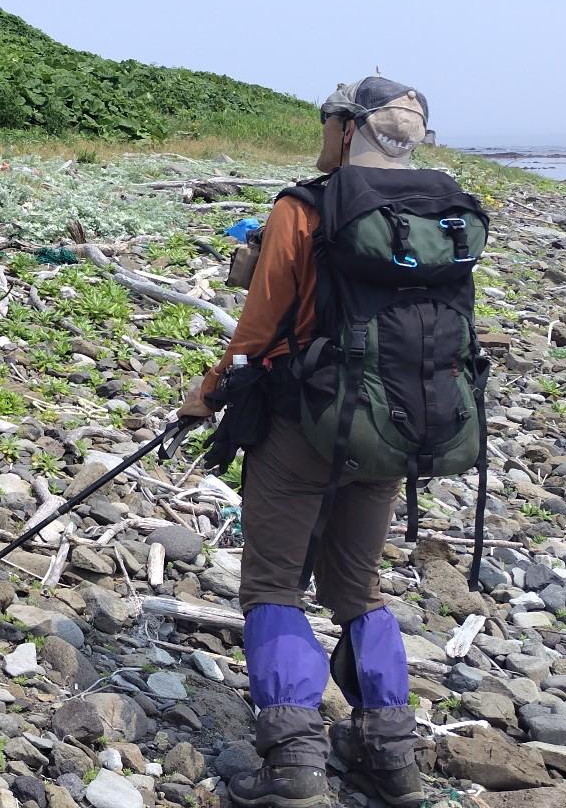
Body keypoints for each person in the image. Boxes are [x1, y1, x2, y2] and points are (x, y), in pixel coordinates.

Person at [178, 77, 437, 808]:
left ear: (350, 128)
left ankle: (294, 765)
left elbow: (258, 334)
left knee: (272, 585)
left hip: (305, 421)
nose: (320, 132)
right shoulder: (436, 209)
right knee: (359, 589)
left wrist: (204, 398)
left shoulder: (304, 207)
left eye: (327, 119)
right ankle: (391, 758)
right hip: (398, 425)